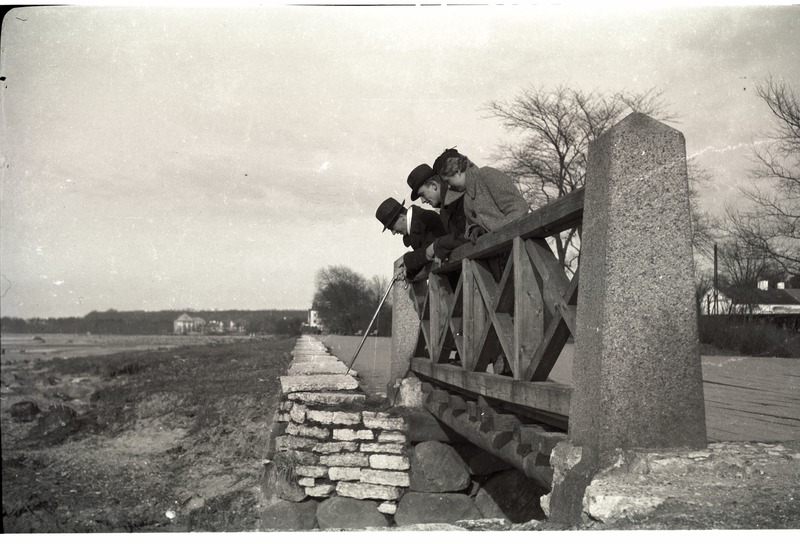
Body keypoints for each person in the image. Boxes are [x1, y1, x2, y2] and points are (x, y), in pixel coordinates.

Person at [431, 148, 529, 243]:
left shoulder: (487, 175)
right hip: (503, 253)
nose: (448, 187)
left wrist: (496, 235)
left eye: (448, 181)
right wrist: (477, 229)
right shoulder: (467, 197)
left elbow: (519, 208)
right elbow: (471, 225)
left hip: (522, 247)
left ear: (458, 171)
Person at [406, 163, 468, 263]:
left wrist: (437, 246)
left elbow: (467, 234)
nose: (422, 201)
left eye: (422, 195)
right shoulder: (444, 210)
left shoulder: (459, 197)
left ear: (433, 186)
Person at [375, 196, 446, 280]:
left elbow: (433, 249)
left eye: (392, 227)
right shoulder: (414, 228)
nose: (393, 233)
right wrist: (405, 269)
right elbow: (423, 257)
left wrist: (407, 261)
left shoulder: (427, 218)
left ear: (402, 217)